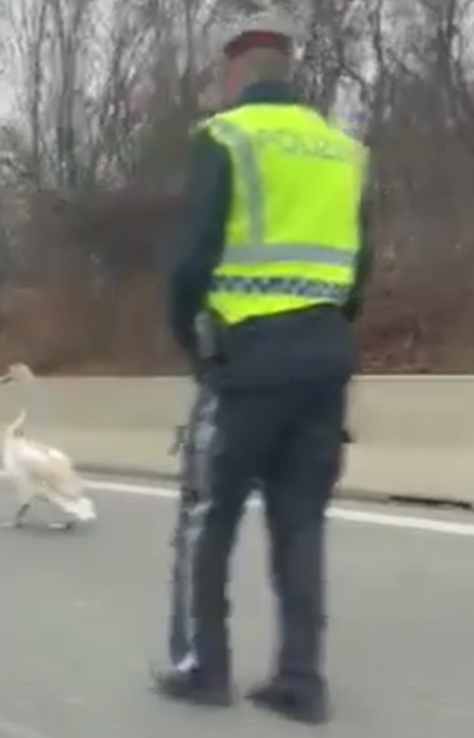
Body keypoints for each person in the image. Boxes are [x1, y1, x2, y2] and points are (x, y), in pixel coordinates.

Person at [151, 11, 374, 726]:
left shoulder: (225, 137)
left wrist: (192, 344)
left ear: (234, 68)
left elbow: (191, 262)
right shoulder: (344, 151)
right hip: (323, 362)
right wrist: (329, 330)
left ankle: (203, 667)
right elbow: (360, 265)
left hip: (244, 362)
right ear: (290, 67)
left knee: (208, 516)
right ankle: (301, 681)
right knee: (301, 523)